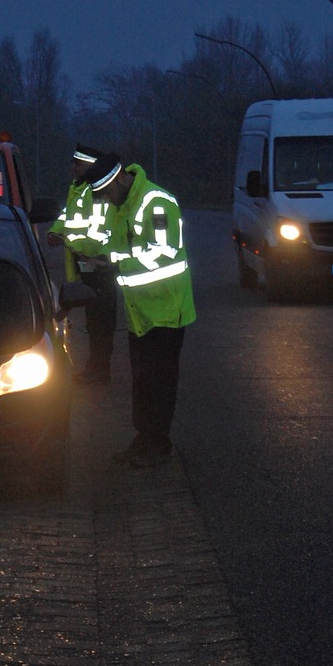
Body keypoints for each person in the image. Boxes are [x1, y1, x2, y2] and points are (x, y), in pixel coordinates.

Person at [82, 153, 195, 467]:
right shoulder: (123, 204)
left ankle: (156, 444)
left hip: (165, 311)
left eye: (105, 193)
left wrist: (115, 264)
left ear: (119, 180)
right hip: (141, 311)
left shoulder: (156, 202)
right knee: (143, 381)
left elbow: (162, 254)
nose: (105, 200)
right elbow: (123, 246)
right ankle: (145, 440)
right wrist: (102, 257)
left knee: (158, 382)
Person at [48, 144, 118, 383]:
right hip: (86, 266)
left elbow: (109, 229)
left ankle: (99, 370)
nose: (73, 167)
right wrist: (56, 232)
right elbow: (68, 215)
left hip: (100, 267)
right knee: (94, 322)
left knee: (101, 323)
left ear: (90, 166)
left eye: (78, 163)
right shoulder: (78, 188)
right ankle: (96, 367)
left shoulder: (98, 191)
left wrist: (98, 258)